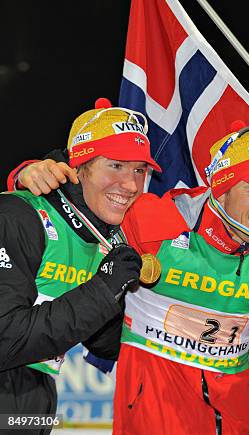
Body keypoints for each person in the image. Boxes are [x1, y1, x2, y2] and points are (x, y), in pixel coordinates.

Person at [15, 122, 249, 435]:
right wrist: (33, 172)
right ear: (221, 192)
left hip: (239, 424)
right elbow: (91, 199)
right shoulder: (158, 220)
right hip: (152, 421)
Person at [0, 97, 158, 434]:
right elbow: (5, 339)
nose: (130, 185)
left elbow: (103, 341)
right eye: (115, 165)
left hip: (32, 409)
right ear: (79, 167)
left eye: (139, 170)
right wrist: (102, 289)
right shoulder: (18, 217)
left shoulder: (104, 238)